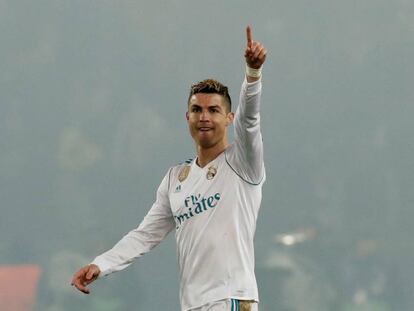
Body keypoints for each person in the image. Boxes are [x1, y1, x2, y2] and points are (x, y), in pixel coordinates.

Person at [71, 25, 267, 311]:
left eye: (213, 110)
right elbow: (145, 235)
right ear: (187, 117)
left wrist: (253, 75)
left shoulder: (243, 163)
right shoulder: (176, 178)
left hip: (231, 299)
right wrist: (101, 265)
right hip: (192, 304)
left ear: (229, 118)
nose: (204, 117)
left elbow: (250, 121)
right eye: (198, 110)